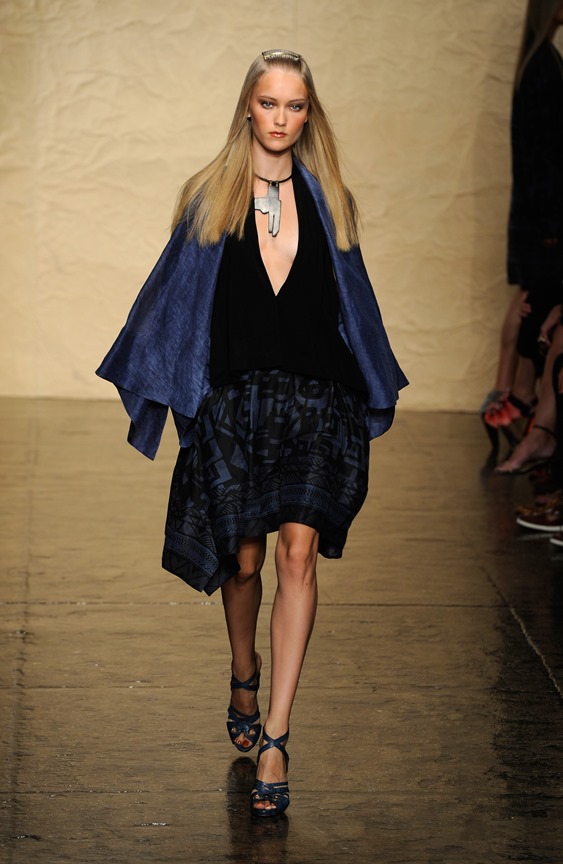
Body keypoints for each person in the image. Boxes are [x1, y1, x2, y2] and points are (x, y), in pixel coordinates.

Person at [97, 49, 407, 818]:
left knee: (298, 556)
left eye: (295, 105)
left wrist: (364, 387)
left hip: (315, 405)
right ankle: (244, 670)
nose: (280, 118)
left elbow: (354, 309)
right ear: (247, 106)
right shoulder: (208, 198)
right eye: (269, 103)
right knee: (243, 562)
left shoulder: (330, 201)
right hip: (236, 407)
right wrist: (180, 393)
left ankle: (276, 736)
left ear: (308, 114)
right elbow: (171, 301)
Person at [481, 0, 563, 448]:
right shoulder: (543, 67)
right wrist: (551, 223)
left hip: (536, 212)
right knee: (538, 305)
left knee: (530, 302)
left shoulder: (537, 63)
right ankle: (519, 398)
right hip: (543, 215)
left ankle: (507, 397)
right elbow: (543, 156)